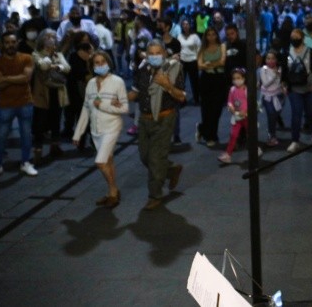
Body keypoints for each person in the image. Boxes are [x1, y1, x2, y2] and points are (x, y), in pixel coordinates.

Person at [127, 40, 185, 211]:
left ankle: (155, 195)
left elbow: (181, 96)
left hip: (164, 118)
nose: (154, 56)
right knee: (145, 156)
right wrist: (119, 100)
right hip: (144, 119)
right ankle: (171, 169)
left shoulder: (173, 68)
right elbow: (136, 92)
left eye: (157, 53)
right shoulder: (142, 69)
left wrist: (167, 85)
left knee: (155, 158)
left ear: (164, 54)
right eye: (150, 53)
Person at [73, 51, 128, 209]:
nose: (100, 65)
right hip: (96, 129)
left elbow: (124, 108)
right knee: (108, 160)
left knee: (100, 162)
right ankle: (112, 193)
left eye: (103, 62)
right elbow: (85, 108)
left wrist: (103, 105)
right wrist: (78, 133)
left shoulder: (117, 82)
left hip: (112, 126)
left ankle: (113, 191)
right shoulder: (90, 83)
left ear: (109, 63)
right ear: (92, 66)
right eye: (96, 63)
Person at [0, 32, 37, 180]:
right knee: (1, 136)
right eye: (7, 42)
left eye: (13, 42)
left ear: (17, 42)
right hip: (5, 105)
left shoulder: (27, 58)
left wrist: (6, 78)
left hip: (25, 102)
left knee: (26, 135)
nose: (11, 45)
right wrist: (16, 78)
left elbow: (26, 78)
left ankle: (25, 162)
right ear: (2, 44)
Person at [31, 32, 70, 160]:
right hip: (42, 93)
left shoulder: (58, 54)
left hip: (57, 93)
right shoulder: (36, 54)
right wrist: (51, 60)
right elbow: (42, 66)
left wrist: (56, 66)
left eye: (53, 37)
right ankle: (38, 149)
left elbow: (67, 68)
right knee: (40, 123)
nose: (50, 40)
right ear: (41, 39)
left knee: (56, 120)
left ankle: (55, 146)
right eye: (47, 37)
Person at [285, 28, 312, 153]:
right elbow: (285, 71)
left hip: (310, 88)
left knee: (311, 112)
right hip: (294, 89)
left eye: (296, 36)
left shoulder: (311, 52)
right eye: (292, 36)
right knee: (296, 114)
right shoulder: (287, 53)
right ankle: (295, 140)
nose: (294, 39)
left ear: (302, 38)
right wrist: (284, 85)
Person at [218, 68, 259, 163]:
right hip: (237, 117)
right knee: (233, 135)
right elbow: (229, 101)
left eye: (238, 78)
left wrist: (245, 111)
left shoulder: (247, 90)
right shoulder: (232, 89)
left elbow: (252, 103)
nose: (236, 80)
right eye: (234, 78)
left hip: (246, 117)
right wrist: (231, 107)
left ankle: (256, 150)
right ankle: (228, 155)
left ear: (244, 78)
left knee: (251, 134)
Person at [196, 28, 227, 147]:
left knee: (217, 109)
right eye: (208, 35)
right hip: (206, 80)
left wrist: (208, 64)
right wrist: (207, 65)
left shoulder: (222, 46)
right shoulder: (203, 48)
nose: (211, 37)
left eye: (213, 34)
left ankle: (203, 128)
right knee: (206, 108)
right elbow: (199, 66)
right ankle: (210, 135)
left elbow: (222, 62)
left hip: (219, 79)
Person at [257, 49, 285, 147]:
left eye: (273, 58)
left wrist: (283, 87)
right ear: (265, 59)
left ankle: (272, 132)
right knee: (271, 115)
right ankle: (271, 136)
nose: (270, 60)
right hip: (267, 97)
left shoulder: (280, 68)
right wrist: (275, 75)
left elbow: (281, 82)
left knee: (275, 115)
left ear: (276, 59)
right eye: (268, 58)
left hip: (279, 96)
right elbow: (265, 83)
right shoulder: (263, 69)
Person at [177, 19, 201, 104]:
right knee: (181, 82)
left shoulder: (194, 36)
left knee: (194, 82)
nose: (185, 26)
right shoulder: (179, 36)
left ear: (190, 25)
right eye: (184, 24)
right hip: (182, 61)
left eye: (187, 24)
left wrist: (198, 60)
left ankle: (196, 99)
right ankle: (182, 100)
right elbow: (178, 48)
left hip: (193, 61)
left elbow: (199, 48)